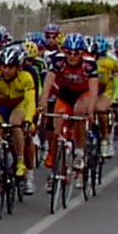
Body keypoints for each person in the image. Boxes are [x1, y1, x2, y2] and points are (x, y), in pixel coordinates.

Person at [0, 45, 36, 195]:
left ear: (18, 68)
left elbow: (30, 102)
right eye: (3, 66)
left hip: (18, 105)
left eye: (10, 67)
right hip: (1, 106)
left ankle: (20, 161)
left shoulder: (25, 78)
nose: (6, 70)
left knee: (16, 124)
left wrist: (28, 119)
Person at [39, 33, 98, 178]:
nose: (72, 56)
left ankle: (79, 151)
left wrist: (91, 111)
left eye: (76, 53)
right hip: (65, 95)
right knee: (57, 128)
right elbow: (47, 85)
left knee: (79, 112)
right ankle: (55, 162)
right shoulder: (58, 61)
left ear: (82, 53)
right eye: (68, 52)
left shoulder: (89, 64)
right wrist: (42, 104)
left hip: (83, 94)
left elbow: (93, 90)